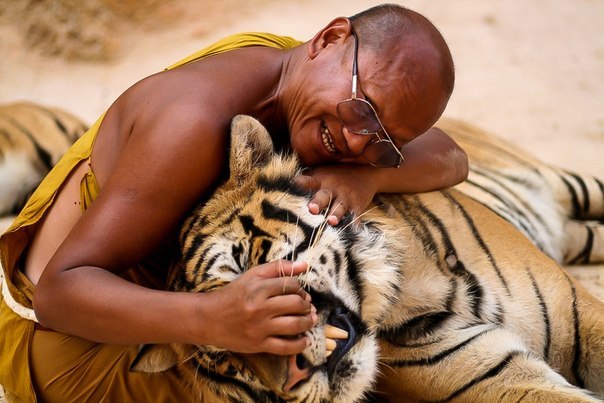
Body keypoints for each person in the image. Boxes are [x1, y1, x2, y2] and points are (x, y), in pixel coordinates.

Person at [0, 3, 468, 402]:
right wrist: (212, 319)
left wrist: (366, 175)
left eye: (382, 141)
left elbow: (453, 157)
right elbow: (58, 294)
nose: (353, 138)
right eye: (362, 109)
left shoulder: (298, 71)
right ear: (329, 38)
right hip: (75, 347)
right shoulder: (192, 126)